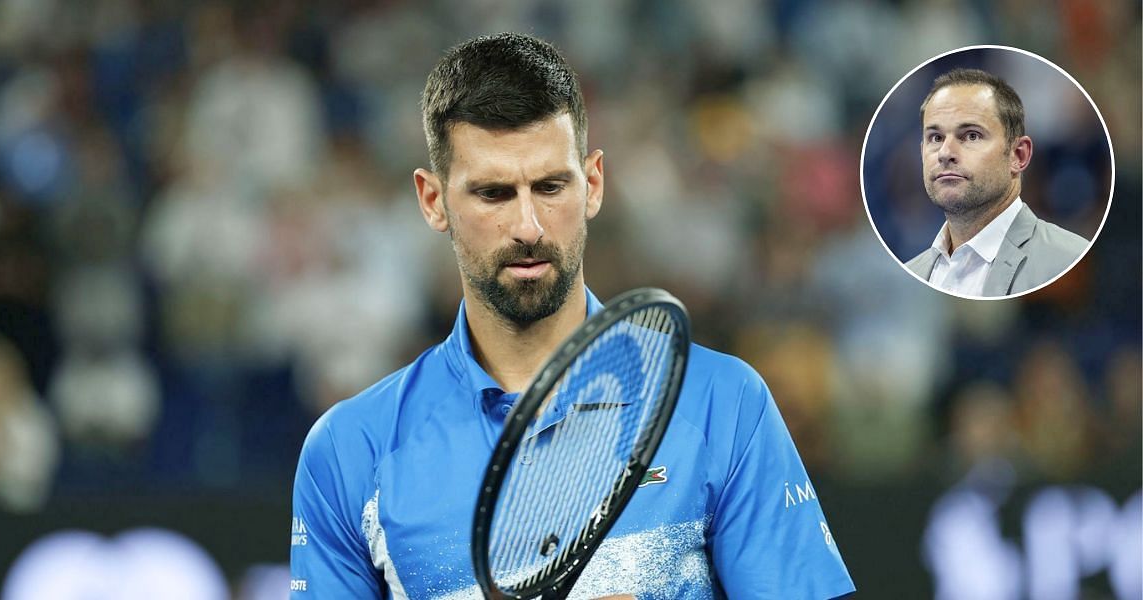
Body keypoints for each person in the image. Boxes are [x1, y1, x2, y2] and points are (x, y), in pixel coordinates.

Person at [290, 32, 854, 599]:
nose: (529, 226)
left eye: (551, 186)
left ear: (593, 184)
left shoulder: (723, 404)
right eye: (493, 193)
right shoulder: (348, 449)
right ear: (433, 200)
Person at [905, 67, 1089, 298]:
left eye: (971, 135)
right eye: (936, 137)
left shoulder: (1067, 258)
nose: (945, 152)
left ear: (1018, 155)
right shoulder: (914, 271)